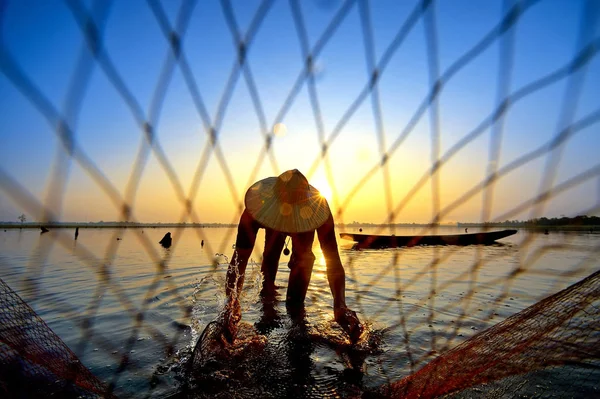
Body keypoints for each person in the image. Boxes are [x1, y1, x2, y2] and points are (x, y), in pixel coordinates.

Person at [217, 169, 363, 344]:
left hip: (305, 223)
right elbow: (239, 261)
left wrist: (340, 304)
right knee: (269, 271)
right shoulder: (254, 210)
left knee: (297, 299)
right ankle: (267, 311)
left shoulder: (320, 211)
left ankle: (297, 330)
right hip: (273, 225)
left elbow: (333, 262)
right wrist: (231, 302)